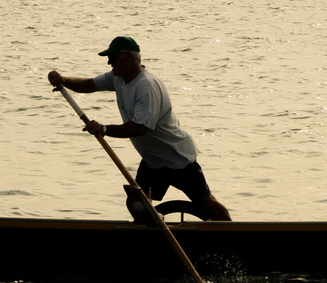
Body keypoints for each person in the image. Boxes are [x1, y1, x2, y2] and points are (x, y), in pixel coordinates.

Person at [48, 36, 231, 222]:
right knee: (136, 203)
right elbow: (89, 85)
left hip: (176, 157)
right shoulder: (117, 78)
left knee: (206, 203)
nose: (109, 61)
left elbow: (139, 128)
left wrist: (103, 128)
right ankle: (154, 237)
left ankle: (234, 235)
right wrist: (63, 80)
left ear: (128, 57)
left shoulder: (146, 85)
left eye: (113, 57)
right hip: (153, 160)